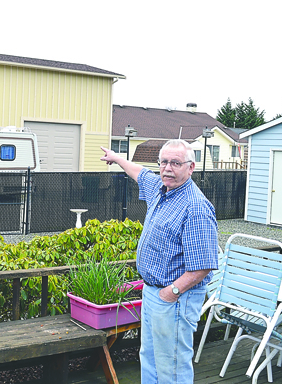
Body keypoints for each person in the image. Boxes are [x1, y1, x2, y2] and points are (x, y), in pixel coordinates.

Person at [100, 139, 218, 384]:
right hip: (154, 293)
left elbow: (204, 263)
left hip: (175, 298)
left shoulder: (195, 207)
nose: (167, 168)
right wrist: (117, 158)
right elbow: (140, 174)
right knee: (150, 358)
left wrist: (172, 292)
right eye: (163, 162)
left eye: (175, 163)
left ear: (191, 167)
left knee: (171, 366)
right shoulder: (162, 189)